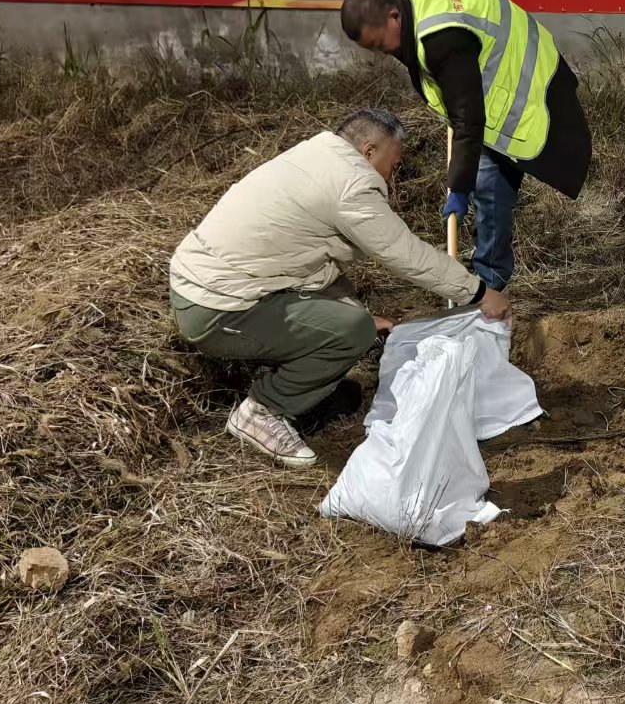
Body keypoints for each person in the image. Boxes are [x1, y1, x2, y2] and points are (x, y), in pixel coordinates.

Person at [169, 108, 509, 467]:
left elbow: (312, 265)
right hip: (218, 310)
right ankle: (263, 411)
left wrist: (353, 311)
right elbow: (403, 253)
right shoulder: (351, 183)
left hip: (201, 287)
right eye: (393, 165)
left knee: (351, 327)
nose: (392, 177)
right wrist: (479, 292)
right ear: (368, 151)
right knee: (351, 332)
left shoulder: (314, 155)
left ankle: (299, 385)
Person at [340, 0, 592, 291]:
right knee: (486, 180)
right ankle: (486, 273)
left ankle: (489, 283)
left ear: (392, 15)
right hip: (504, 61)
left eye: (379, 44)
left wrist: (459, 186)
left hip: (522, 88)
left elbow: (468, 120)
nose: (382, 53)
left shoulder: (442, 40)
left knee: (487, 186)